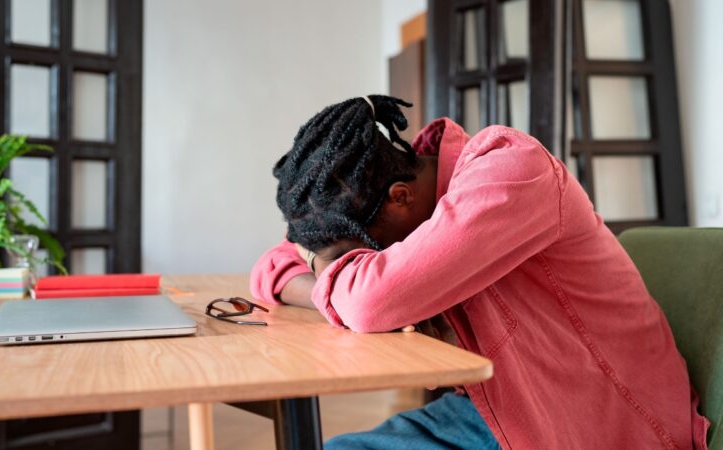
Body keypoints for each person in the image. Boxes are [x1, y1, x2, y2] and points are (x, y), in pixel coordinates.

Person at [250, 95, 709, 449]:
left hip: (602, 428)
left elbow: (371, 301)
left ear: (400, 198)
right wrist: (329, 270)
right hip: (499, 411)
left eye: (360, 254)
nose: (357, 264)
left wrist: (348, 281)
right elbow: (271, 267)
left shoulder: (512, 172)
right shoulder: (399, 203)